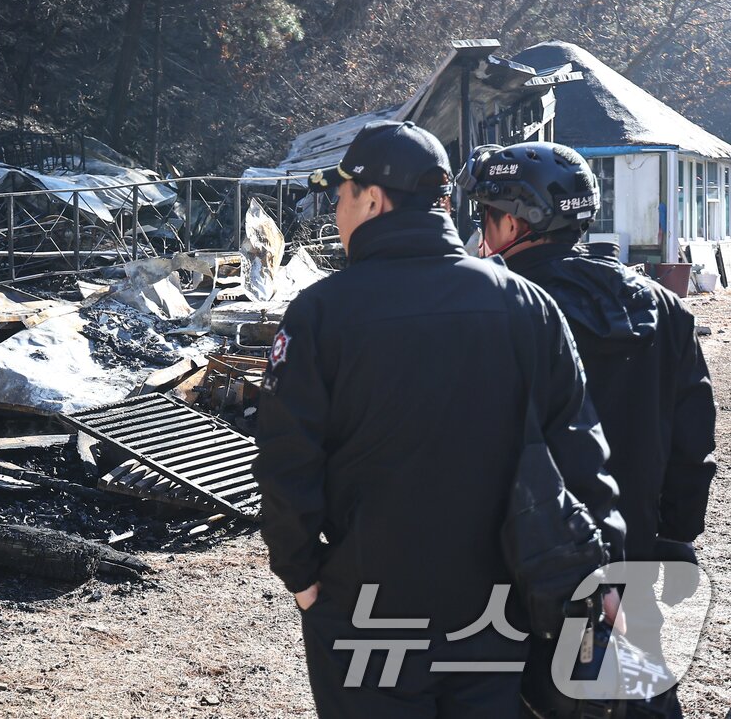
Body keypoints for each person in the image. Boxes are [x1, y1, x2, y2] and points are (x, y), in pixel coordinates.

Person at [253, 120, 624, 719]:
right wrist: (598, 568)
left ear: (373, 199)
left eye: (342, 196)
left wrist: (300, 574)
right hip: (496, 602)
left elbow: (285, 456)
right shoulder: (525, 304)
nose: (337, 213)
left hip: (365, 603)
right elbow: (579, 447)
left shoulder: (322, 312)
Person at [460, 141, 717, 717]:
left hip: (516, 567)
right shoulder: (664, 307)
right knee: (637, 694)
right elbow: (693, 442)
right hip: (632, 559)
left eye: (486, 216)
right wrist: (670, 535)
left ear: (511, 222)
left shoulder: (497, 308)